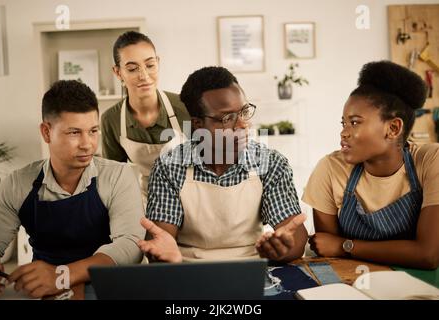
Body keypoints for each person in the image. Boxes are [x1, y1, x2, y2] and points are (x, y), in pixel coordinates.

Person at [0, 80, 145, 299]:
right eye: (74, 133)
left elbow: (130, 245)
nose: (87, 143)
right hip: (44, 291)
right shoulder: (17, 184)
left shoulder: (118, 176)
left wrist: (63, 275)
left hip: (104, 285)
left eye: (93, 131)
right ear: (46, 132)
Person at [137, 66, 308, 262]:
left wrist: (283, 248)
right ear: (198, 124)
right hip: (188, 271)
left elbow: (294, 237)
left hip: (252, 270)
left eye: (244, 111)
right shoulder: (169, 167)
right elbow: (161, 242)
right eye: (228, 118)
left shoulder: (271, 164)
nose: (243, 124)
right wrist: (163, 254)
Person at [303, 61, 439, 269]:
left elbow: (428, 255)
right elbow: (328, 254)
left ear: (393, 128)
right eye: (344, 123)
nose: (344, 132)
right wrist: (339, 248)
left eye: (355, 122)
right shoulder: (330, 169)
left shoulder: (431, 160)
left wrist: (345, 246)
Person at [101, 31, 191, 208]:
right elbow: (114, 180)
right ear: (118, 72)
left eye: (150, 65)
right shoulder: (111, 120)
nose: (144, 75)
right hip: (149, 205)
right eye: (132, 69)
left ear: (158, 62)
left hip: (192, 201)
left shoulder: (185, 107)